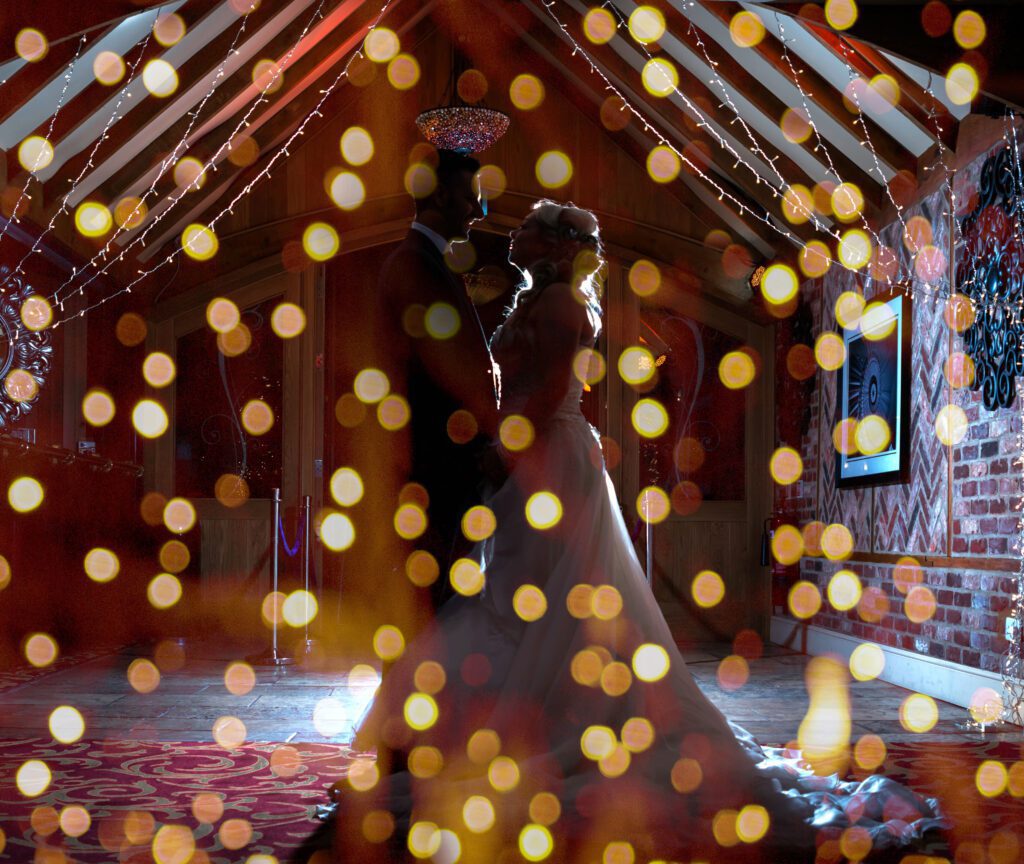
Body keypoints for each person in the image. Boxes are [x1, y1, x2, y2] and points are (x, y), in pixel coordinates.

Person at [336, 201, 946, 863]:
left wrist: (498, 451)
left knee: (533, 600)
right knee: (516, 598)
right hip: (527, 459)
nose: (516, 230)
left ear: (556, 244)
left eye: (531, 223)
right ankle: (508, 722)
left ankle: (549, 726)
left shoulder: (567, 304)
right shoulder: (535, 297)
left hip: (547, 459)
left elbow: (543, 398)